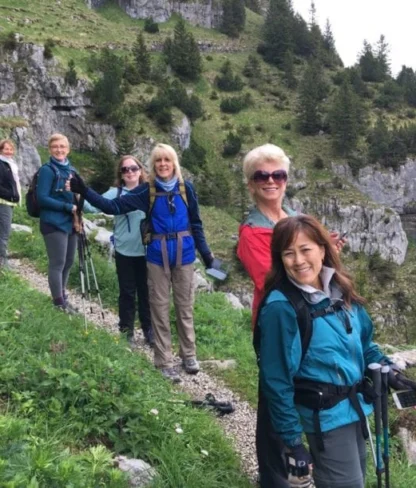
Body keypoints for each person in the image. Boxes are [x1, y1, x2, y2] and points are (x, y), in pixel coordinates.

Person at [256, 214, 416, 488]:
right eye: (288, 253)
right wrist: (293, 442)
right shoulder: (282, 307)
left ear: (322, 248)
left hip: (355, 409)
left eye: (305, 249)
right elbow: (276, 381)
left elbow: (363, 343)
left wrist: (386, 368)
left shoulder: (338, 289)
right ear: (280, 259)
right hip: (326, 418)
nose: (298, 260)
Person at [69, 143, 214, 383]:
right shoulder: (147, 191)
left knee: (184, 306)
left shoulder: (186, 189)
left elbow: (196, 224)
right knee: (158, 306)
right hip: (157, 255)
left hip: (185, 254)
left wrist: (207, 255)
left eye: (167, 160)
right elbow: (113, 206)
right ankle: (164, 360)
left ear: (174, 163)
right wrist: (85, 190)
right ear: (153, 165)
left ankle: (189, 355)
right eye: (158, 161)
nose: (163, 164)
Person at [82, 155, 154, 347]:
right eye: (125, 170)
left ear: (140, 170)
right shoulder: (115, 193)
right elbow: (92, 205)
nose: (130, 172)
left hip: (148, 251)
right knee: (127, 292)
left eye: (133, 168)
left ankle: (149, 330)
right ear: (121, 175)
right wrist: (75, 195)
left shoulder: (149, 190)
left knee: (146, 292)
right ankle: (126, 330)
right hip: (124, 250)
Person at [37, 133, 78, 311]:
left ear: (68, 149)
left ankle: (62, 296)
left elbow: (78, 196)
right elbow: (42, 198)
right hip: (53, 222)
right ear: (50, 149)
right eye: (55, 147)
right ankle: (58, 303)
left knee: (68, 261)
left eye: (62, 146)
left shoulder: (72, 170)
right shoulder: (47, 170)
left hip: (71, 223)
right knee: (58, 262)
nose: (59, 150)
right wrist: (66, 207)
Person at [0, 139, 21, 269]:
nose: (9, 152)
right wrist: (10, 195)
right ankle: (3, 262)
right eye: (6, 149)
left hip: (8, 202)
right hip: (3, 201)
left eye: (11, 149)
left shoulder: (9, 164)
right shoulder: (1, 164)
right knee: (4, 231)